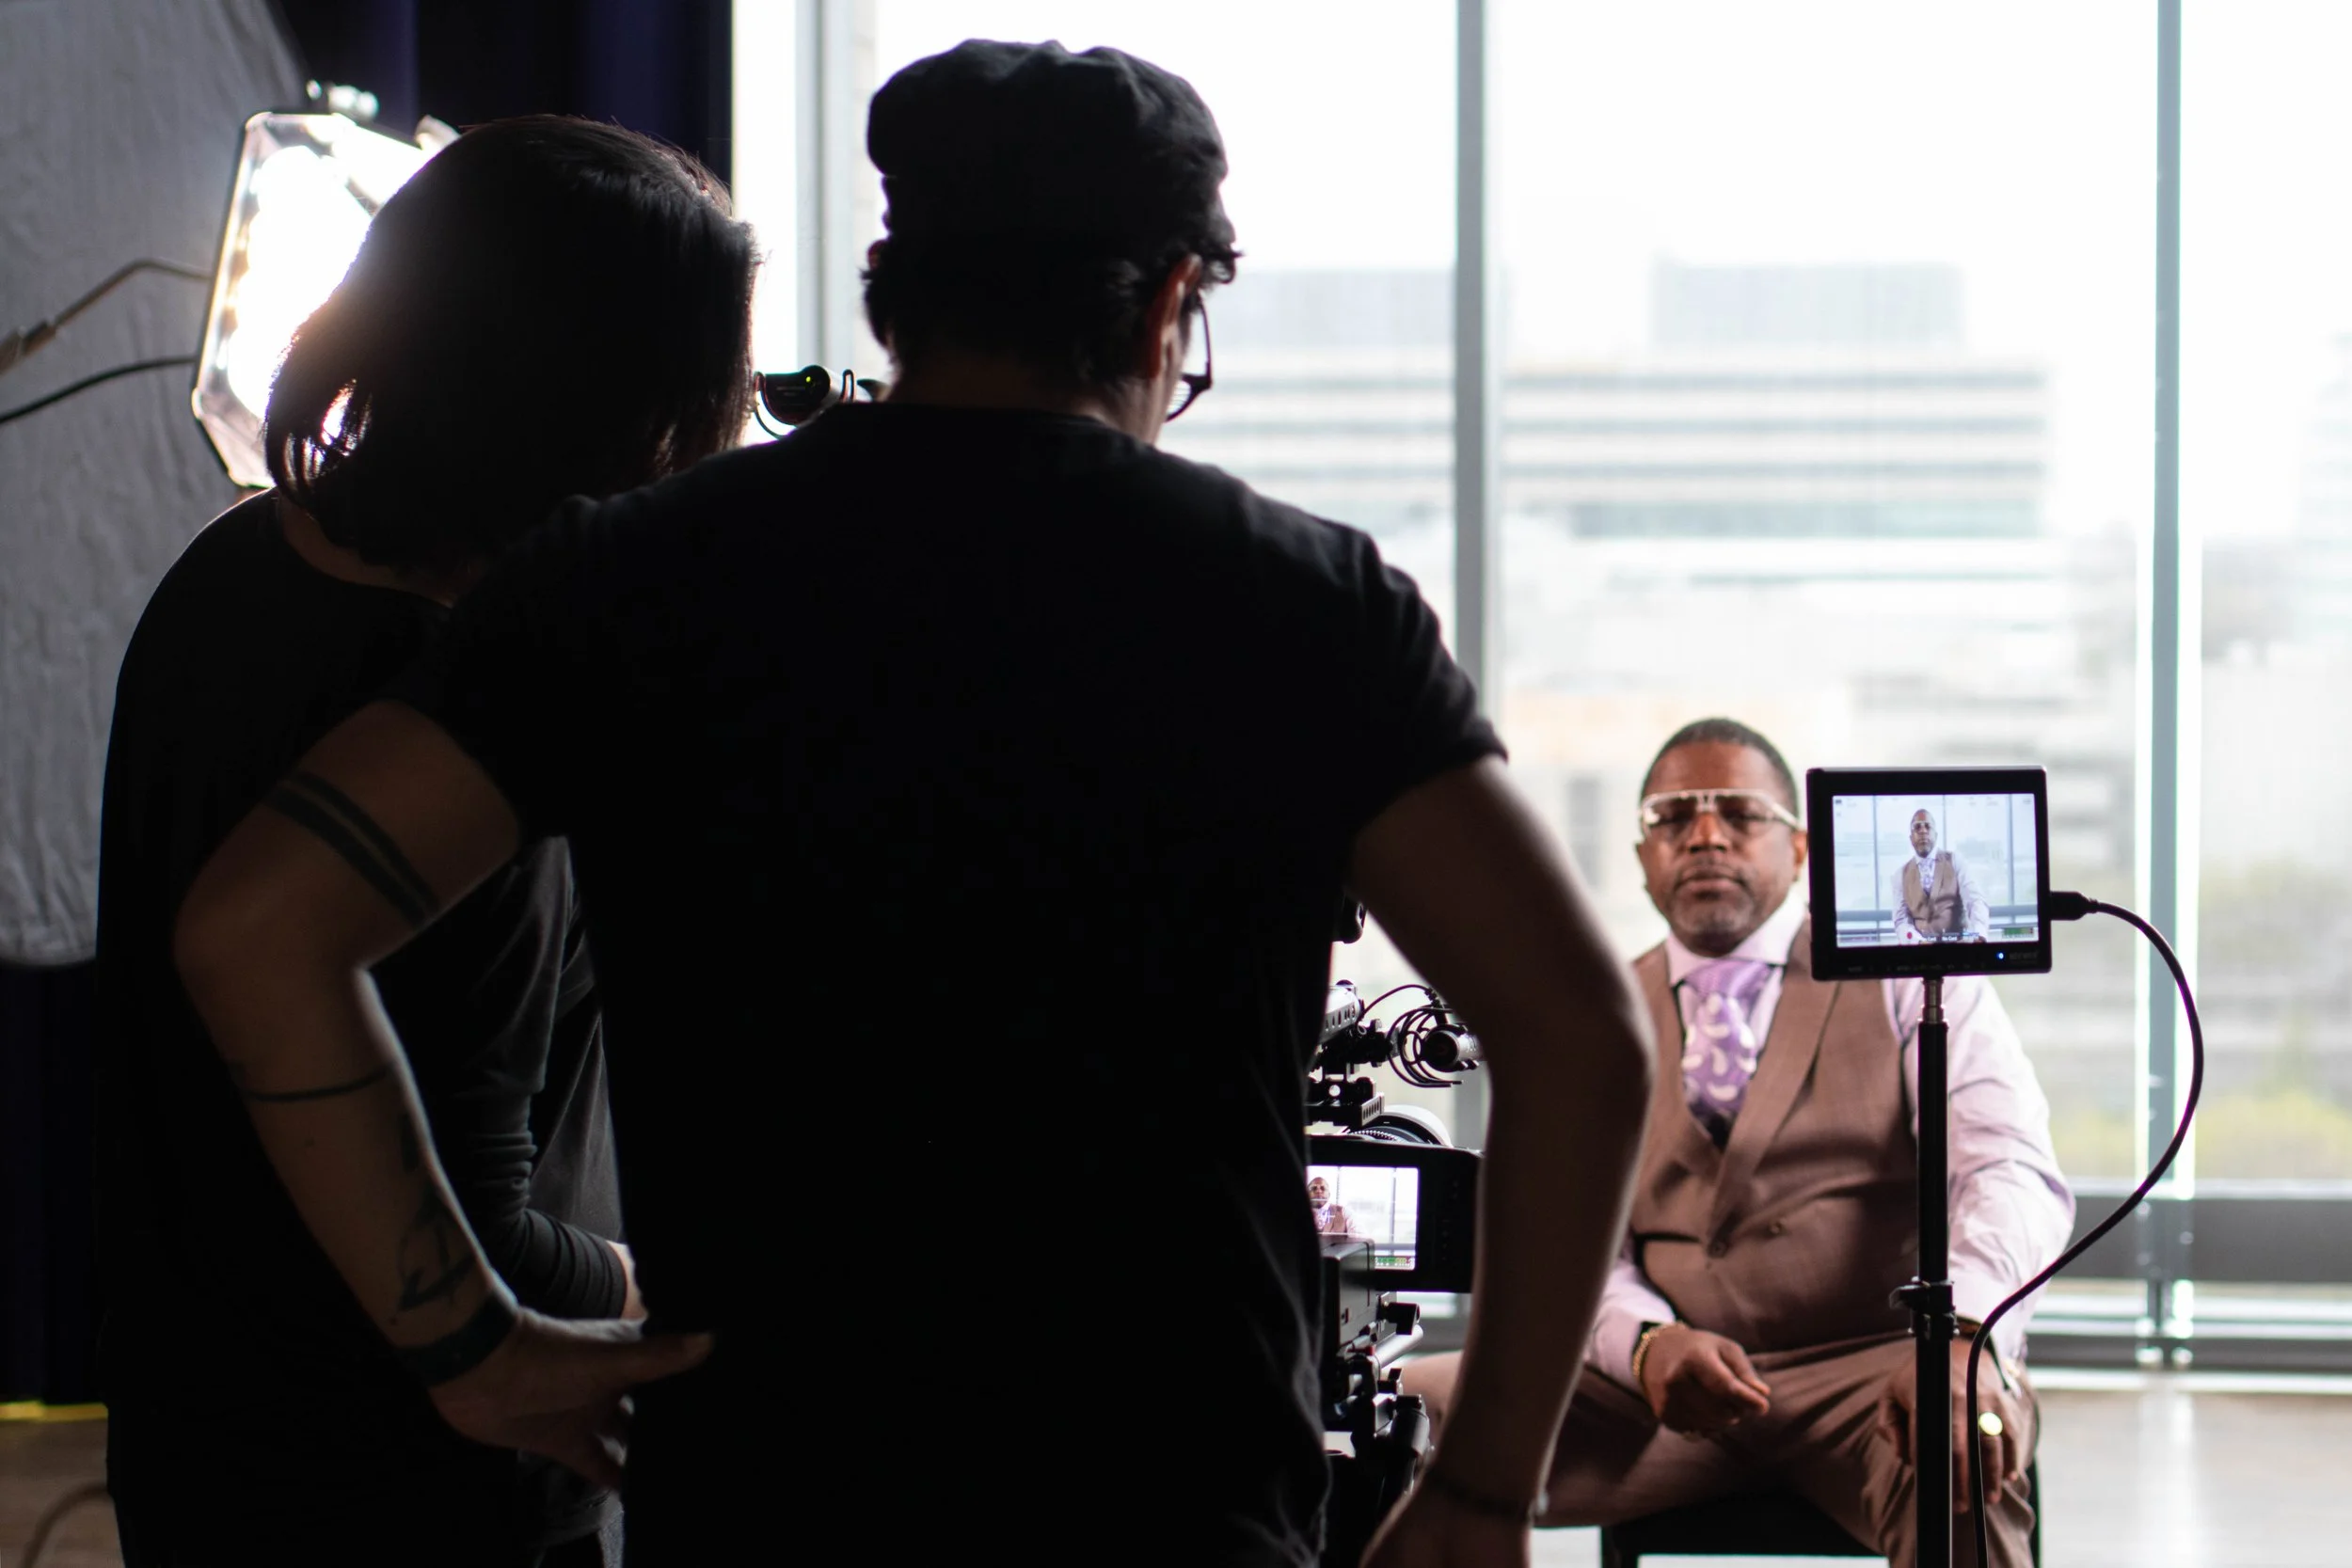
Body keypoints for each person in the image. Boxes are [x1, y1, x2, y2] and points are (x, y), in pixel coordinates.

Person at [167, 40, 1655, 1568]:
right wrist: (1478, 1492)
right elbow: (1581, 1041)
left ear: (895, 281)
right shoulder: (1306, 604)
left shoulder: (626, 582)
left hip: (770, 1502)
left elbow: (260, 928)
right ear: (1166, 303)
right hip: (1172, 1503)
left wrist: (470, 1345)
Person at [93, 117, 755, 1565]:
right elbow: (481, 1209)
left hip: (206, 1433)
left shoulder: (238, 562)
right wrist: (670, 1294)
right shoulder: (458, 736)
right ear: (631, 407)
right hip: (428, 1478)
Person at [1403, 718, 2072, 1568]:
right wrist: (1644, 1342)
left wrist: (1963, 1335)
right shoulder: (1593, 1010)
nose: (1705, 834)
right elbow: (1574, 1249)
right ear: (1644, 856)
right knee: (1391, 1416)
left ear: (1799, 852)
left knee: (1962, 1445)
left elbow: (2006, 1164)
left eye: (1740, 814)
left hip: (1878, 1377)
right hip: (1656, 1394)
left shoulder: (1912, 976)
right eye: (1673, 817)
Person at [1889, 808, 1991, 942]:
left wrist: (1979, 934)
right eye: (1917, 827)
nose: (1923, 831)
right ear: (1911, 838)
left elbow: (1975, 900)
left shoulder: (1956, 861)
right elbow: (1901, 920)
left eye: (1928, 826)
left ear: (1935, 835)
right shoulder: (1900, 875)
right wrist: (1917, 942)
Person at [1309, 1173, 1365, 1239]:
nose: (1318, 1191)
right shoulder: (1297, 1215)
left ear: (1329, 1194)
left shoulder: (1344, 1212)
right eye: (1314, 1188)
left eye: (1323, 1188)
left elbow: (1359, 1239)